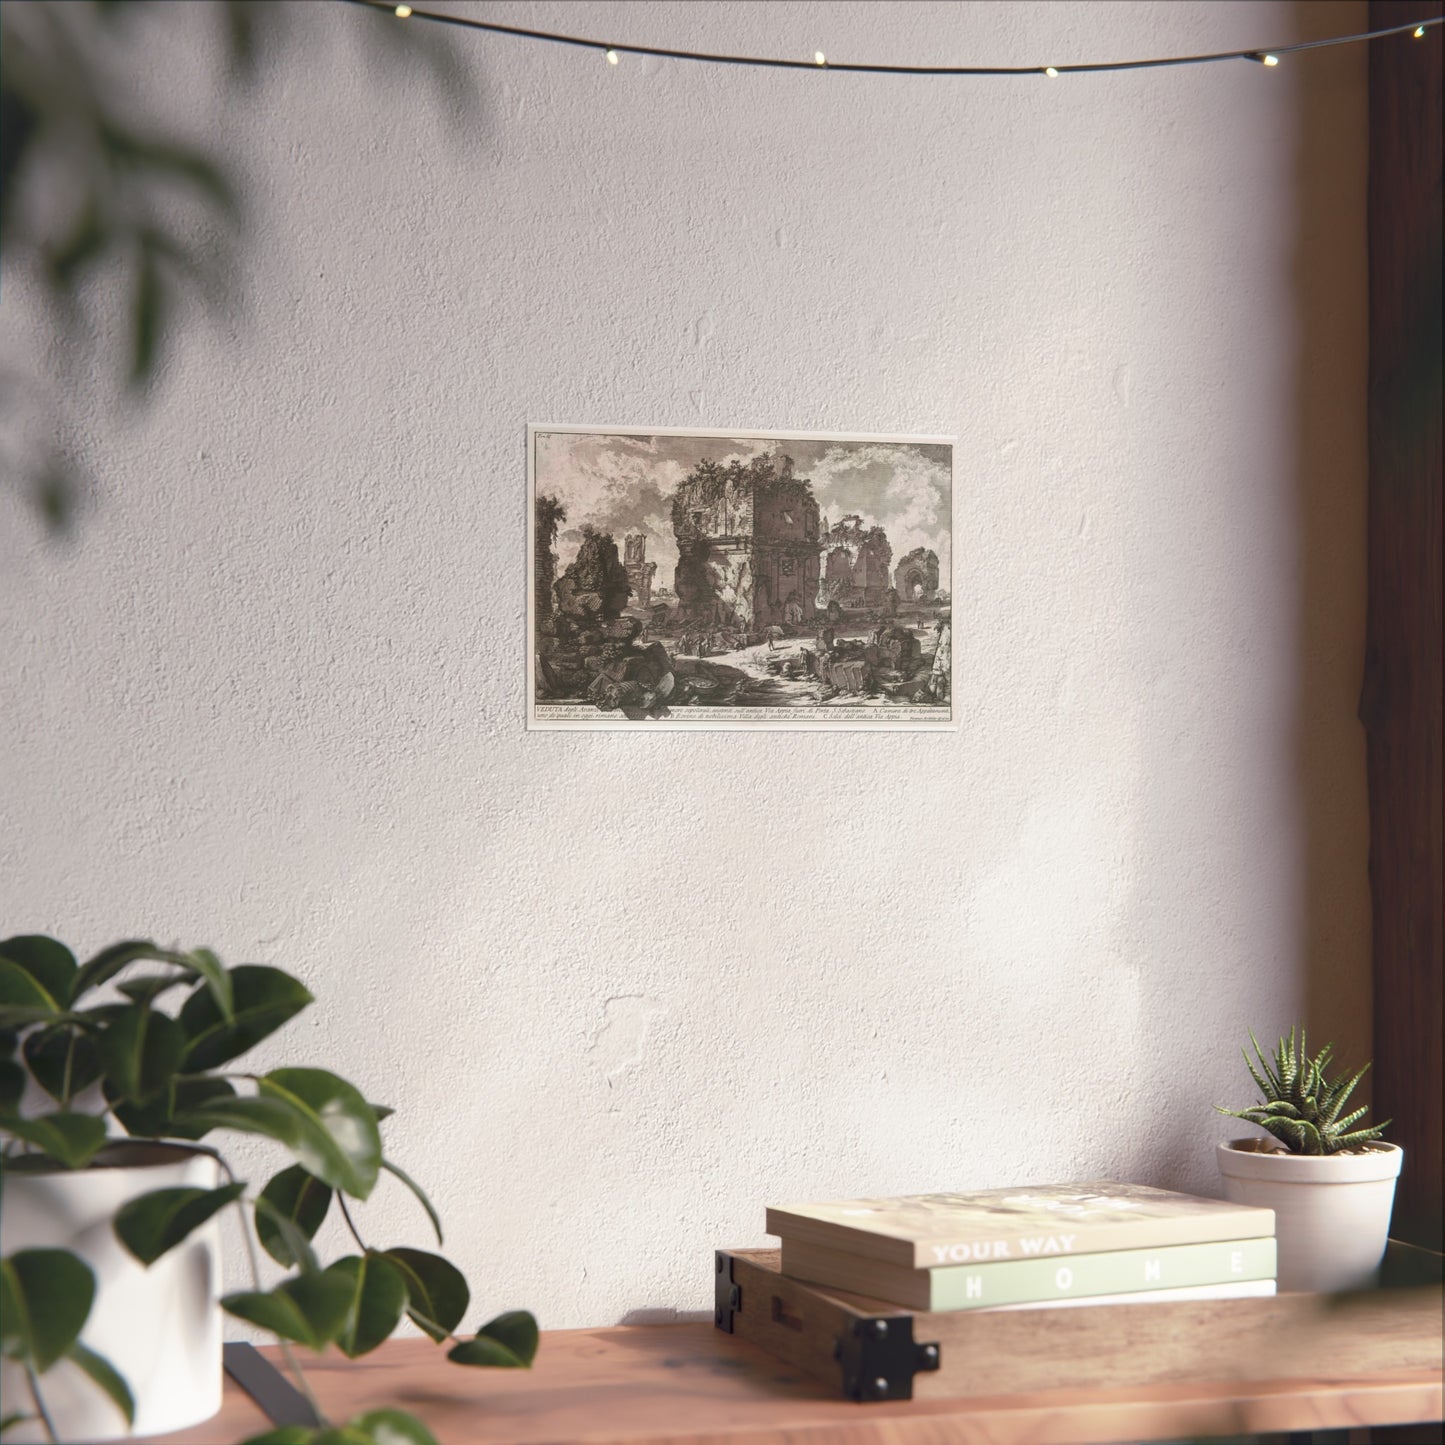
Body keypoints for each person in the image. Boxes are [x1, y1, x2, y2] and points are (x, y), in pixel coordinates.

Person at [930, 616, 951, 702]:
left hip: (945, 656)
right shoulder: (945, 633)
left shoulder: (947, 632)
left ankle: (945, 695)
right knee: (940, 677)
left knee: (946, 676)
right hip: (942, 656)